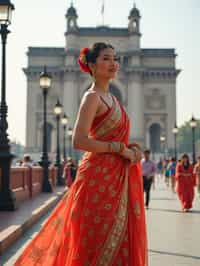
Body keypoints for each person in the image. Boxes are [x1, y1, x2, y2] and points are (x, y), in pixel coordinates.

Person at [15, 42, 148, 266]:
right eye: (106, 58)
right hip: (97, 179)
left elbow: (116, 138)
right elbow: (79, 141)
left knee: (120, 240)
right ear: (92, 66)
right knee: (94, 239)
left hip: (118, 178)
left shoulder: (114, 100)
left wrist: (132, 150)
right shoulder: (91, 97)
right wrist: (118, 149)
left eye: (115, 58)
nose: (113, 63)